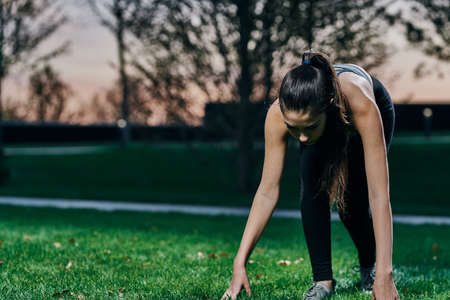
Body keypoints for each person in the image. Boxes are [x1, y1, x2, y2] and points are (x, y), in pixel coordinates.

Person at [221, 51, 400, 300]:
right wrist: (239, 262)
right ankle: (322, 280)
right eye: (293, 128)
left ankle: (371, 269)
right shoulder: (277, 115)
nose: (302, 138)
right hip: (321, 114)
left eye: (309, 127)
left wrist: (385, 275)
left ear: (327, 106)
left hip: (370, 108)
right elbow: (266, 192)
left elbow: (379, 195)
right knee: (311, 184)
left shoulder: (360, 102)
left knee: (353, 200)